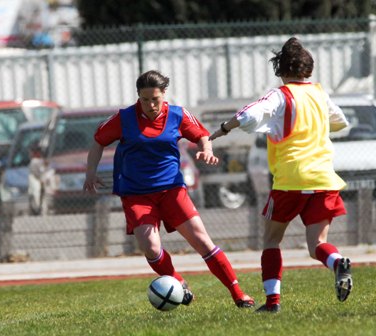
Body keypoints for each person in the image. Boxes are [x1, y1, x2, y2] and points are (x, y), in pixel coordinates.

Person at [84, 70, 255, 308]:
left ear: (164, 94)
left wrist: (207, 150)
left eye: (155, 99)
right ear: (138, 97)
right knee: (151, 247)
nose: (151, 105)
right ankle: (177, 282)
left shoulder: (178, 114)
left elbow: (202, 135)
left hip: (172, 190)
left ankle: (238, 293)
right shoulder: (124, 118)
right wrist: (90, 172)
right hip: (136, 193)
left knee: (202, 241)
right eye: (145, 100)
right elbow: (99, 140)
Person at [209, 37, 353, 313]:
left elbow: (249, 115)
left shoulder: (281, 94)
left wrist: (224, 129)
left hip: (292, 178)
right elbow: (341, 121)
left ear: (280, 69)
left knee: (272, 240)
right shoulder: (319, 93)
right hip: (324, 177)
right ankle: (338, 262)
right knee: (317, 245)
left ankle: (272, 303)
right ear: (308, 69)